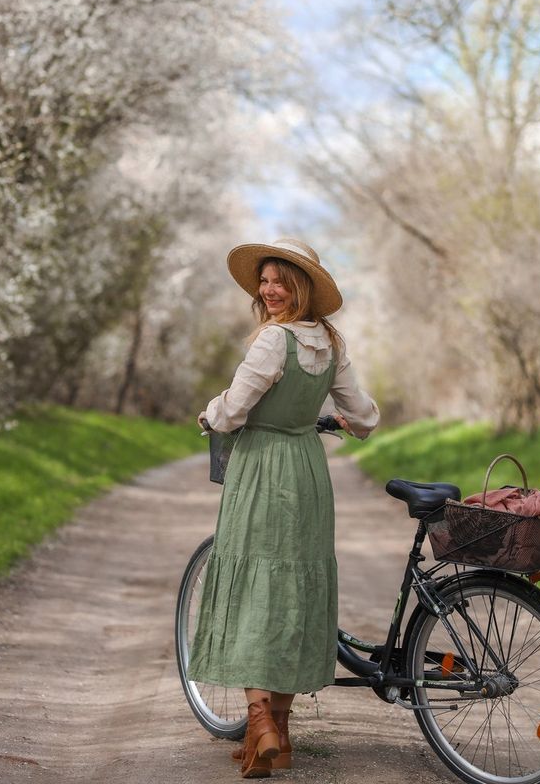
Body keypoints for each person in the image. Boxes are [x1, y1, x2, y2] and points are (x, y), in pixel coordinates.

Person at [187, 237, 380, 779]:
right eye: (264, 280)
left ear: (301, 288)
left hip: (262, 470)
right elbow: (364, 417)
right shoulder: (331, 345)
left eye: (279, 280)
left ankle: (260, 722)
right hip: (308, 471)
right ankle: (281, 736)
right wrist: (340, 419)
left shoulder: (273, 342)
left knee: (254, 587)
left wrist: (208, 415)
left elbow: (232, 411)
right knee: (295, 588)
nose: (268, 289)